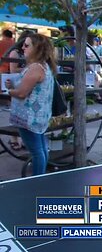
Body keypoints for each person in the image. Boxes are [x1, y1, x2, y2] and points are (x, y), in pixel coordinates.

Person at [5, 33, 56, 175]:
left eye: (26, 45)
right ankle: (40, 179)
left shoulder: (35, 68)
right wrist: (12, 85)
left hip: (29, 118)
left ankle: (37, 182)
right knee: (41, 149)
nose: (23, 47)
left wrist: (7, 92)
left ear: (37, 48)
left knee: (36, 152)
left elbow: (22, 93)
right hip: (38, 117)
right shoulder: (42, 66)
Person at [6, 31, 33, 151]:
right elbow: (13, 70)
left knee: (25, 114)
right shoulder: (15, 53)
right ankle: (14, 139)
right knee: (16, 113)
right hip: (16, 84)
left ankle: (24, 139)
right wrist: (28, 70)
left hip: (27, 85)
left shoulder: (30, 54)